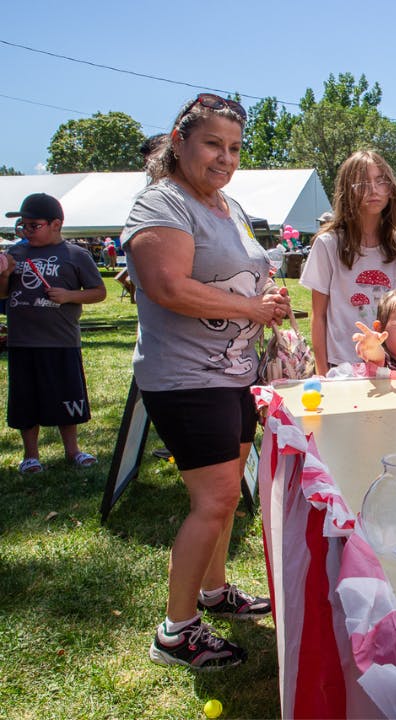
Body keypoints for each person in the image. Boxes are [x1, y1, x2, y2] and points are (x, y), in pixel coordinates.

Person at [121, 93, 290, 671]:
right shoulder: (162, 203)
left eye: (235, 147)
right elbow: (167, 286)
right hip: (186, 379)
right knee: (214, 500)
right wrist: (250, 310)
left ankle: (215, 594)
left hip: (233, 375)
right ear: (180, 140)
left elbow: (240, 277)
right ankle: (176, 629)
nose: (225, 157)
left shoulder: (226, 203)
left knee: (223, 505)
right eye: (213, 143)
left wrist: (265, 299)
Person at [0, 193, 106, 474]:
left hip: (60, 341)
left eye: (33, 226)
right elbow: (3, 295)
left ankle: (73, 450)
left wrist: (68, 295)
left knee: (65, 397)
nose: (26, 232)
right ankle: (30, 455)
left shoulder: (76, 255)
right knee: (25, 399)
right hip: (22, 341)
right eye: (22, 226)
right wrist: (3, 274)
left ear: (56, 224)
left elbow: (99, 292)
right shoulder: (15, 254)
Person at [300, 150, 396, 376]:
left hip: (390, 364)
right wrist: (321, 370)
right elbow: (319, 316)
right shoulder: (328, 244)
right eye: (362, 183)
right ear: (347, 191)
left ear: (391, 189)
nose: (373, 190)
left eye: (380, 180)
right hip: (341, 365)